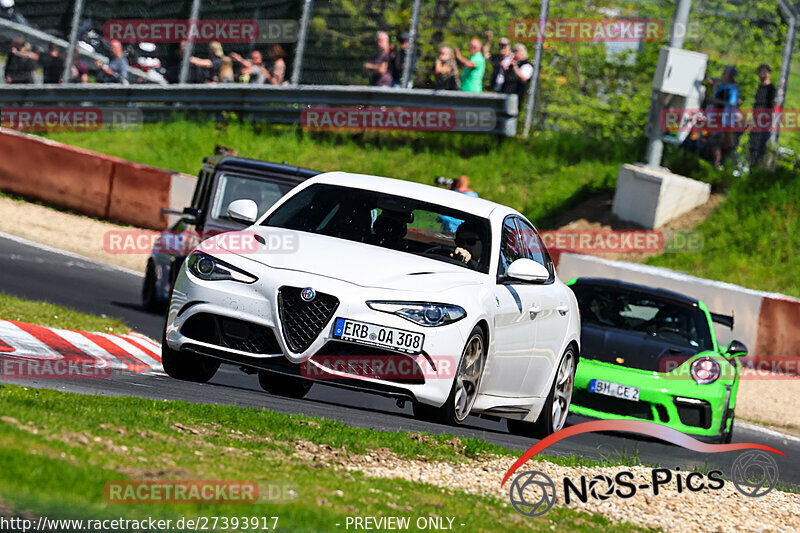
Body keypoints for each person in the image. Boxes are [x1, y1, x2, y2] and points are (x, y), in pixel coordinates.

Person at [704, 66, 740, 168]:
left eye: (725, 73)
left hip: (721, 121)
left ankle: (716, 165)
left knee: (715, 144)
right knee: (711, 143)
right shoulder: (724, 87)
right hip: (716, 119)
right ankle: (712, 165)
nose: (723, 75)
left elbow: (729, 104)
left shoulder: (731, 89)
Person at [749, 64, 777, 168]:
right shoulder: (760, 87)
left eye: (764, 72)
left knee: (760, 147)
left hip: (764, 122)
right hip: (756, 121)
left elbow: (773, 105)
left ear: (769, 74)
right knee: (752, 145)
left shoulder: (771, 88)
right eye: (760, 72)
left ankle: (757, 169)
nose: (761, 74)